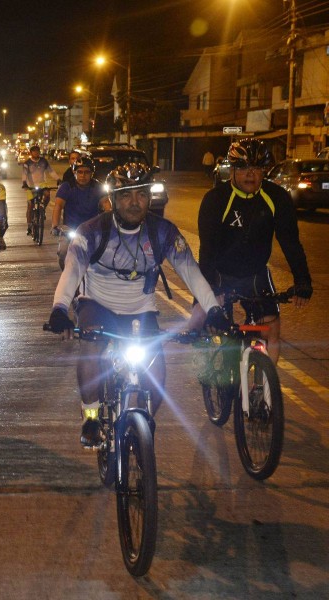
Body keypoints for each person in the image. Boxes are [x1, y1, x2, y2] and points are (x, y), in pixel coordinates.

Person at [47, 163, 228, 447]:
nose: (135, 203)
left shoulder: (163, 232)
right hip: (97, 304)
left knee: (156, 370)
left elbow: (191, 272)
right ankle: (91, 417)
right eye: (127, 196)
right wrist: (60, 309)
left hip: (141, 310)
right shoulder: (92, 231)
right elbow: (71, 272)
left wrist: (214, 310)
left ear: (149, 197)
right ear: (113, 199)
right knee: (91, 348)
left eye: (142, 195)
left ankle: (145, 424)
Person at [191, 138, 312, 364]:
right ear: (233, 170)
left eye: (257, 168)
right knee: (198, 319)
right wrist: (210, 290)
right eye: (244, 168)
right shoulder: (216, 199)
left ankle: (265, 390)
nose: (251, 174)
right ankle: (204, 367)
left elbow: (291, 242)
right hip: (218, 272)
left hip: (255, 273)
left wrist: (303, 281)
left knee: (271, 328)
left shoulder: (276, 198)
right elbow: (207, 249)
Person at [51, 155, 111, 269]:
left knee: (106, 253)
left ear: (92, 173)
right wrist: (55, 226)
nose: (83, 176)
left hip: (93, 229)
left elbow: (106, 204)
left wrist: (110, 220)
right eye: (80, 172)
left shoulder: (98, 186)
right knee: (63, 252)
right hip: (71, 229)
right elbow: (58, 206)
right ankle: (67, 276)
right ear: (75, 172)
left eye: (87, 172)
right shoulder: (67, 187)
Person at [22, 144, 61, 235]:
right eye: (34, 151)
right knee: (30, 205)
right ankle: (29, 225)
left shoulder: (44, 161)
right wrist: (24, 182)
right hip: (30, 186)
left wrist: (58, 179)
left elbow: (51, 171)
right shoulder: (27, 163)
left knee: (47, 194)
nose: (36, 153)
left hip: (42, 184)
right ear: (31, 153)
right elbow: (24, 174)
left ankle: (42, 209)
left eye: (38, 151)